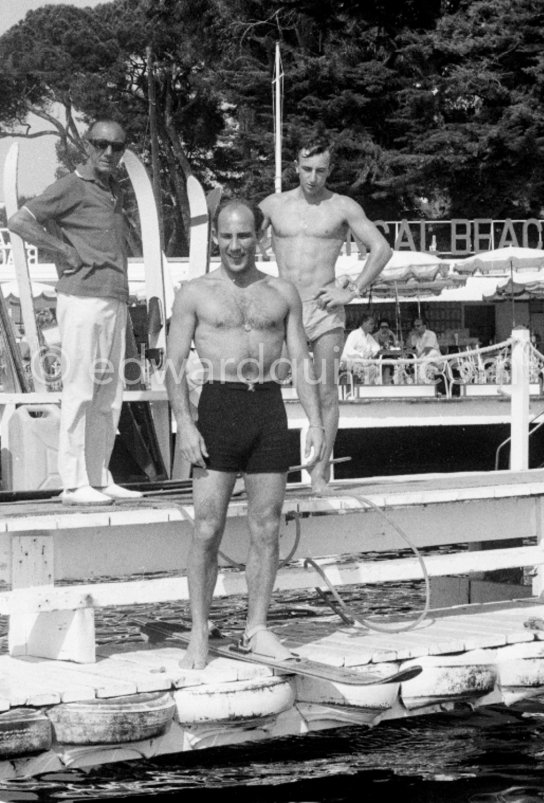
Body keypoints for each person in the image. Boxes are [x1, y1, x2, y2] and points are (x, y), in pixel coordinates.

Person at [166, 198, 326, 669]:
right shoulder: (195, 292)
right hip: (217, 408)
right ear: (216, 237)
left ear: (258, 237)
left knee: (267, 526)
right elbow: (172, 367)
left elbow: (301, 362)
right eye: (227, 236)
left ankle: (256, 627)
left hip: (267, 408)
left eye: (244, 235)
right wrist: (186, 425)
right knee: (207, 528)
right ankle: (199, 629)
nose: (236, 245)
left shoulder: (282, 292)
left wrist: (315, 422)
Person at [8, 119, 143, 506]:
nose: (109, 152)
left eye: (117, 146)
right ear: (86, 145)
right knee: (81, 391)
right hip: (82, 299)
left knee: (109, 395)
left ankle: (98, 478)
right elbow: (19, 220)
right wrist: (62, 251)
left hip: (113, 297)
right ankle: (73, 483)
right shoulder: (72, 185)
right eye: (101, 144)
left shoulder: (112, 188)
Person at [260, 132, 392, 494]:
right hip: (285, 309)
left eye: (320, 170)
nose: (313, 178)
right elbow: (235, 244)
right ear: (295, 166)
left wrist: (350, 291)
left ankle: (319, 475)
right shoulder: (273, 205)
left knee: (327, 393)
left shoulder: (343, 207)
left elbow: (381, 249)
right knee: (260, 385)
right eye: (306, 169)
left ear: (329, 169)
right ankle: (255, 471)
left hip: (323, 310)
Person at [341, 314, 381, 384]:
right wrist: (362, 354)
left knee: (375, 369)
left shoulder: (368, 336)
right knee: (368, 369)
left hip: (361, 363)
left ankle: (367, 389)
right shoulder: (354, 334)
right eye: (371, 324)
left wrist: (371, 352)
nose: (373, 326)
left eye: (373, 324)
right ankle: (363, 388)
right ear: (363, 323)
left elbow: (377, 347)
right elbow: (348, 350)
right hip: (349, 363)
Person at [374, 317, 400, 384]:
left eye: (386, 327)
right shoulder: (375, 335)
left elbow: (397, 346)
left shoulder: (391, 335)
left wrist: (393, 335)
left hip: (391, 357)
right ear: (379, 328)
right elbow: (376, 348)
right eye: (382, 327)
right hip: (379, 359)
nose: (384, 329)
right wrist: (378, 335)